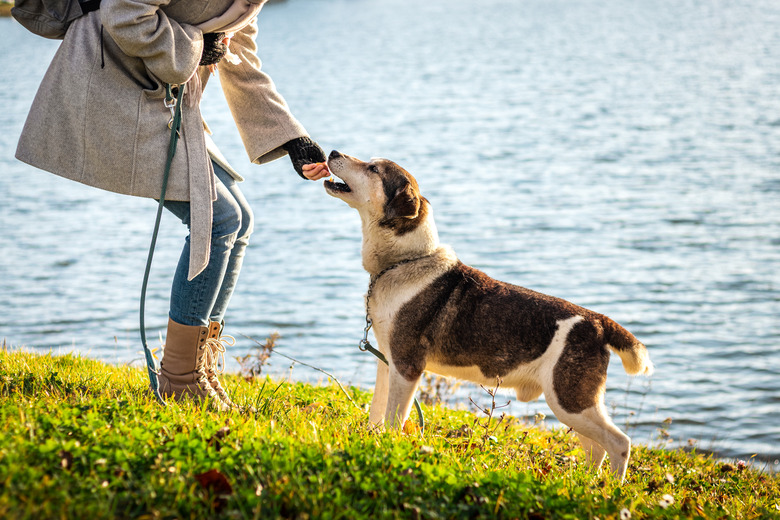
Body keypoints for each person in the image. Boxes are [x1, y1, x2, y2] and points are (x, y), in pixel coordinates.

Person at [15, 0, 331, 410]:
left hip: (161, 94)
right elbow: (124, 13)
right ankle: (180, 380)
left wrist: (292, 140)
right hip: (111, 84)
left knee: (240, 220)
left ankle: (198, 365)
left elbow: (238, 55)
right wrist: (195, 48)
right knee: (220, 219)